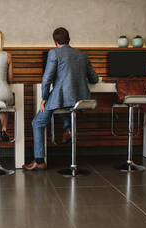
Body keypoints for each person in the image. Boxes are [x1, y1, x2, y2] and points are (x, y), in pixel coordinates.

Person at [23, 27, 99, 171]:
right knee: (62, 105)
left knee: (37, 122)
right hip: (80, 100)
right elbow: (94, 79)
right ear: (69, 40)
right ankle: (67, 128)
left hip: (62, 97)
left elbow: (46, 79)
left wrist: (44, 98)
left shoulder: (54, 53)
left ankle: (39, 161)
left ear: (55, 42)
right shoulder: (83, 55)